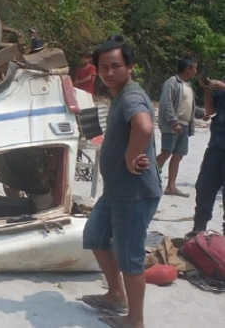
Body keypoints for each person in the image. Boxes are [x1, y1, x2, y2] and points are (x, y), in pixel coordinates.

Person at [81, 35, 162, 328]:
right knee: (95, 236)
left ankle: (135, 320)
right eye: (103, 67)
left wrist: (131, 157)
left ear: (130, 67)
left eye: (116, 65)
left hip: (134, 193)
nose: (109, 72)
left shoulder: (130, 96)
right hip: (116, 191)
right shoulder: (120, 95)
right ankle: (116, 295)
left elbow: (144, 126)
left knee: (130, 257)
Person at [156, 56, 205, 197]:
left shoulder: (188, 85)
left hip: (184, 125)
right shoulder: (172, 83)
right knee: (166, 152)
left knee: (178, 155)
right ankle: (148, 176)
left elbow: (190, 106)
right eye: (194, 68)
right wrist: (173, 122)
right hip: (174, 125)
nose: (195, 71)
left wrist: (202, 114)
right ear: (187, 68)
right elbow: (166, 104)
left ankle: (171, 187)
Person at [190, 60, 225, 236]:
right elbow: (210, 111)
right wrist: (207, 90)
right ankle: (198, 230)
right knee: (204, 188)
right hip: (216, 146)